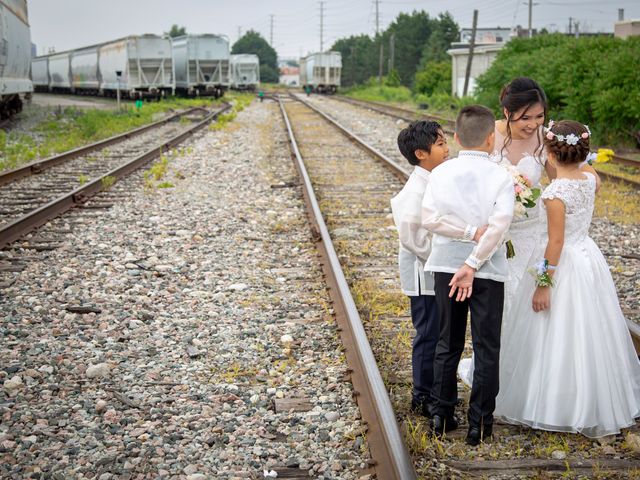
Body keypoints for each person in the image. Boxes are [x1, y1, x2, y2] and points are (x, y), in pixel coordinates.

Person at [495, 120, 640, 438]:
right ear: (584, 152)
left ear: (549, 151)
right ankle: (595, 395)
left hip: (564, 262)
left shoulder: (554, 194)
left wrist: (543, 285)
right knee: (590, 327)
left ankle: (556, 403)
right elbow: (584, 175)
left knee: (557, 329)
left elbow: (555, 242)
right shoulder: (591, 178)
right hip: (588, 256)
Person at [458, 77, 601, 386]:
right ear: (507, 112)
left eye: (539, 116)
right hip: (494, 230)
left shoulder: (543, 138)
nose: (534, 124)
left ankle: (523, 379)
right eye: (526, 117)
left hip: (532, 233)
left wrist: (591, 178)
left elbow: (567, 170)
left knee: (524, 303)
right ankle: (496, 372)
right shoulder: (487, 134)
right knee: (498, 305)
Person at [421, 105, 514, 445]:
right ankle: (479, 424)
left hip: (446, 267)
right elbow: (500, 226)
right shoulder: (501, 175)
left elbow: (429, 219)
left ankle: (441, 415)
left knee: (448, 342)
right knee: (487, 346)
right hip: (487, 271)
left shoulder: (440, 174)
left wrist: (465, 236)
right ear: (492, 138)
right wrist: (474, 260)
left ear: (457, 137)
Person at [390, 121, 451, 417]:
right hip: (424, 275)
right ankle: (422, 393)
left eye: (445, 142)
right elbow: (413, 240)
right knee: (428, 333)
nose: (447, 149)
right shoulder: (414, 191)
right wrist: (448, 258)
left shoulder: (435, 180)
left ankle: (434, 389)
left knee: (439, 332)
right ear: (421, 153)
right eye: (440, 144)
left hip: (436, 270)